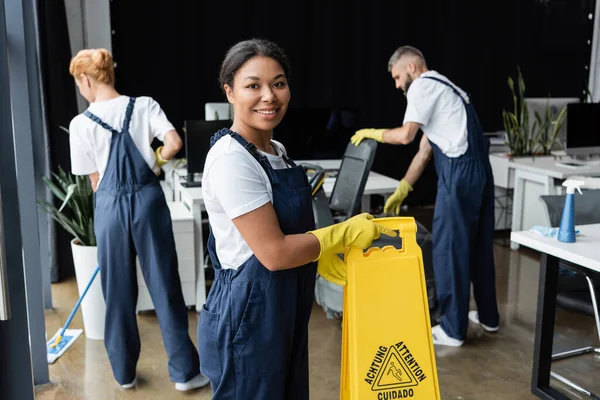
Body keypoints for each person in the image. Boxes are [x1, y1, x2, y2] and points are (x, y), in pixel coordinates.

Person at [197, 39, 395, 399]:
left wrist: (320, 255)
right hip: (248, 315)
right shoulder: (232, 159)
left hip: (283, 310)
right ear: (229, 92)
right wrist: (340, 235)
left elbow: (289, 232)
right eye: (253, 85)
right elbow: (273, 253)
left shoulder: (277, 151)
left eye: (278, 83)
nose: (269, 96)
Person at [68, 48, 209, 390]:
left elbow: (95, 180)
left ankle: (124, 374)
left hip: (110, 206)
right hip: (147, 199)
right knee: (164, 283)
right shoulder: (144, 105)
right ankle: (185, 374)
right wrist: (155, 162)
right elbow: (174, 142)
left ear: (86, 79)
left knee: (116, 289)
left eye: (78, 83)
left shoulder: (80, 124)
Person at [350, 45, 500, 347]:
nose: (396, 85)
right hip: (480, 172)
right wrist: (404, 187)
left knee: (449, 248)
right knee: (479, 245)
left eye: (396, 77)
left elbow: (407, 136)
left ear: (411, 67)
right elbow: (425, 150)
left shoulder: (422, 86)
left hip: (458, 175)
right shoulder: (448, 87)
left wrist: (373, 133)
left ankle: (452, 329)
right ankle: (488, 317)